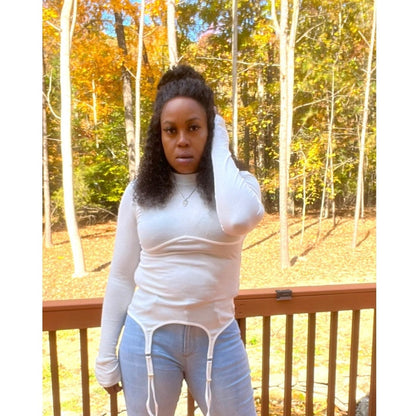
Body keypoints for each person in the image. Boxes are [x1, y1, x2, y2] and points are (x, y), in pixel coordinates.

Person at [95, 64, 265, 416]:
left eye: (194, 127)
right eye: (170, 130)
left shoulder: (239, 185)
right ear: (158, 135)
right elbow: (122, 276)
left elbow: (239, 218)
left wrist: (220, 136)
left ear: (211, 129)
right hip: (147, 340)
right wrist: (105, 354)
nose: (182, 140)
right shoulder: (140, 192)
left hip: (218, 339)